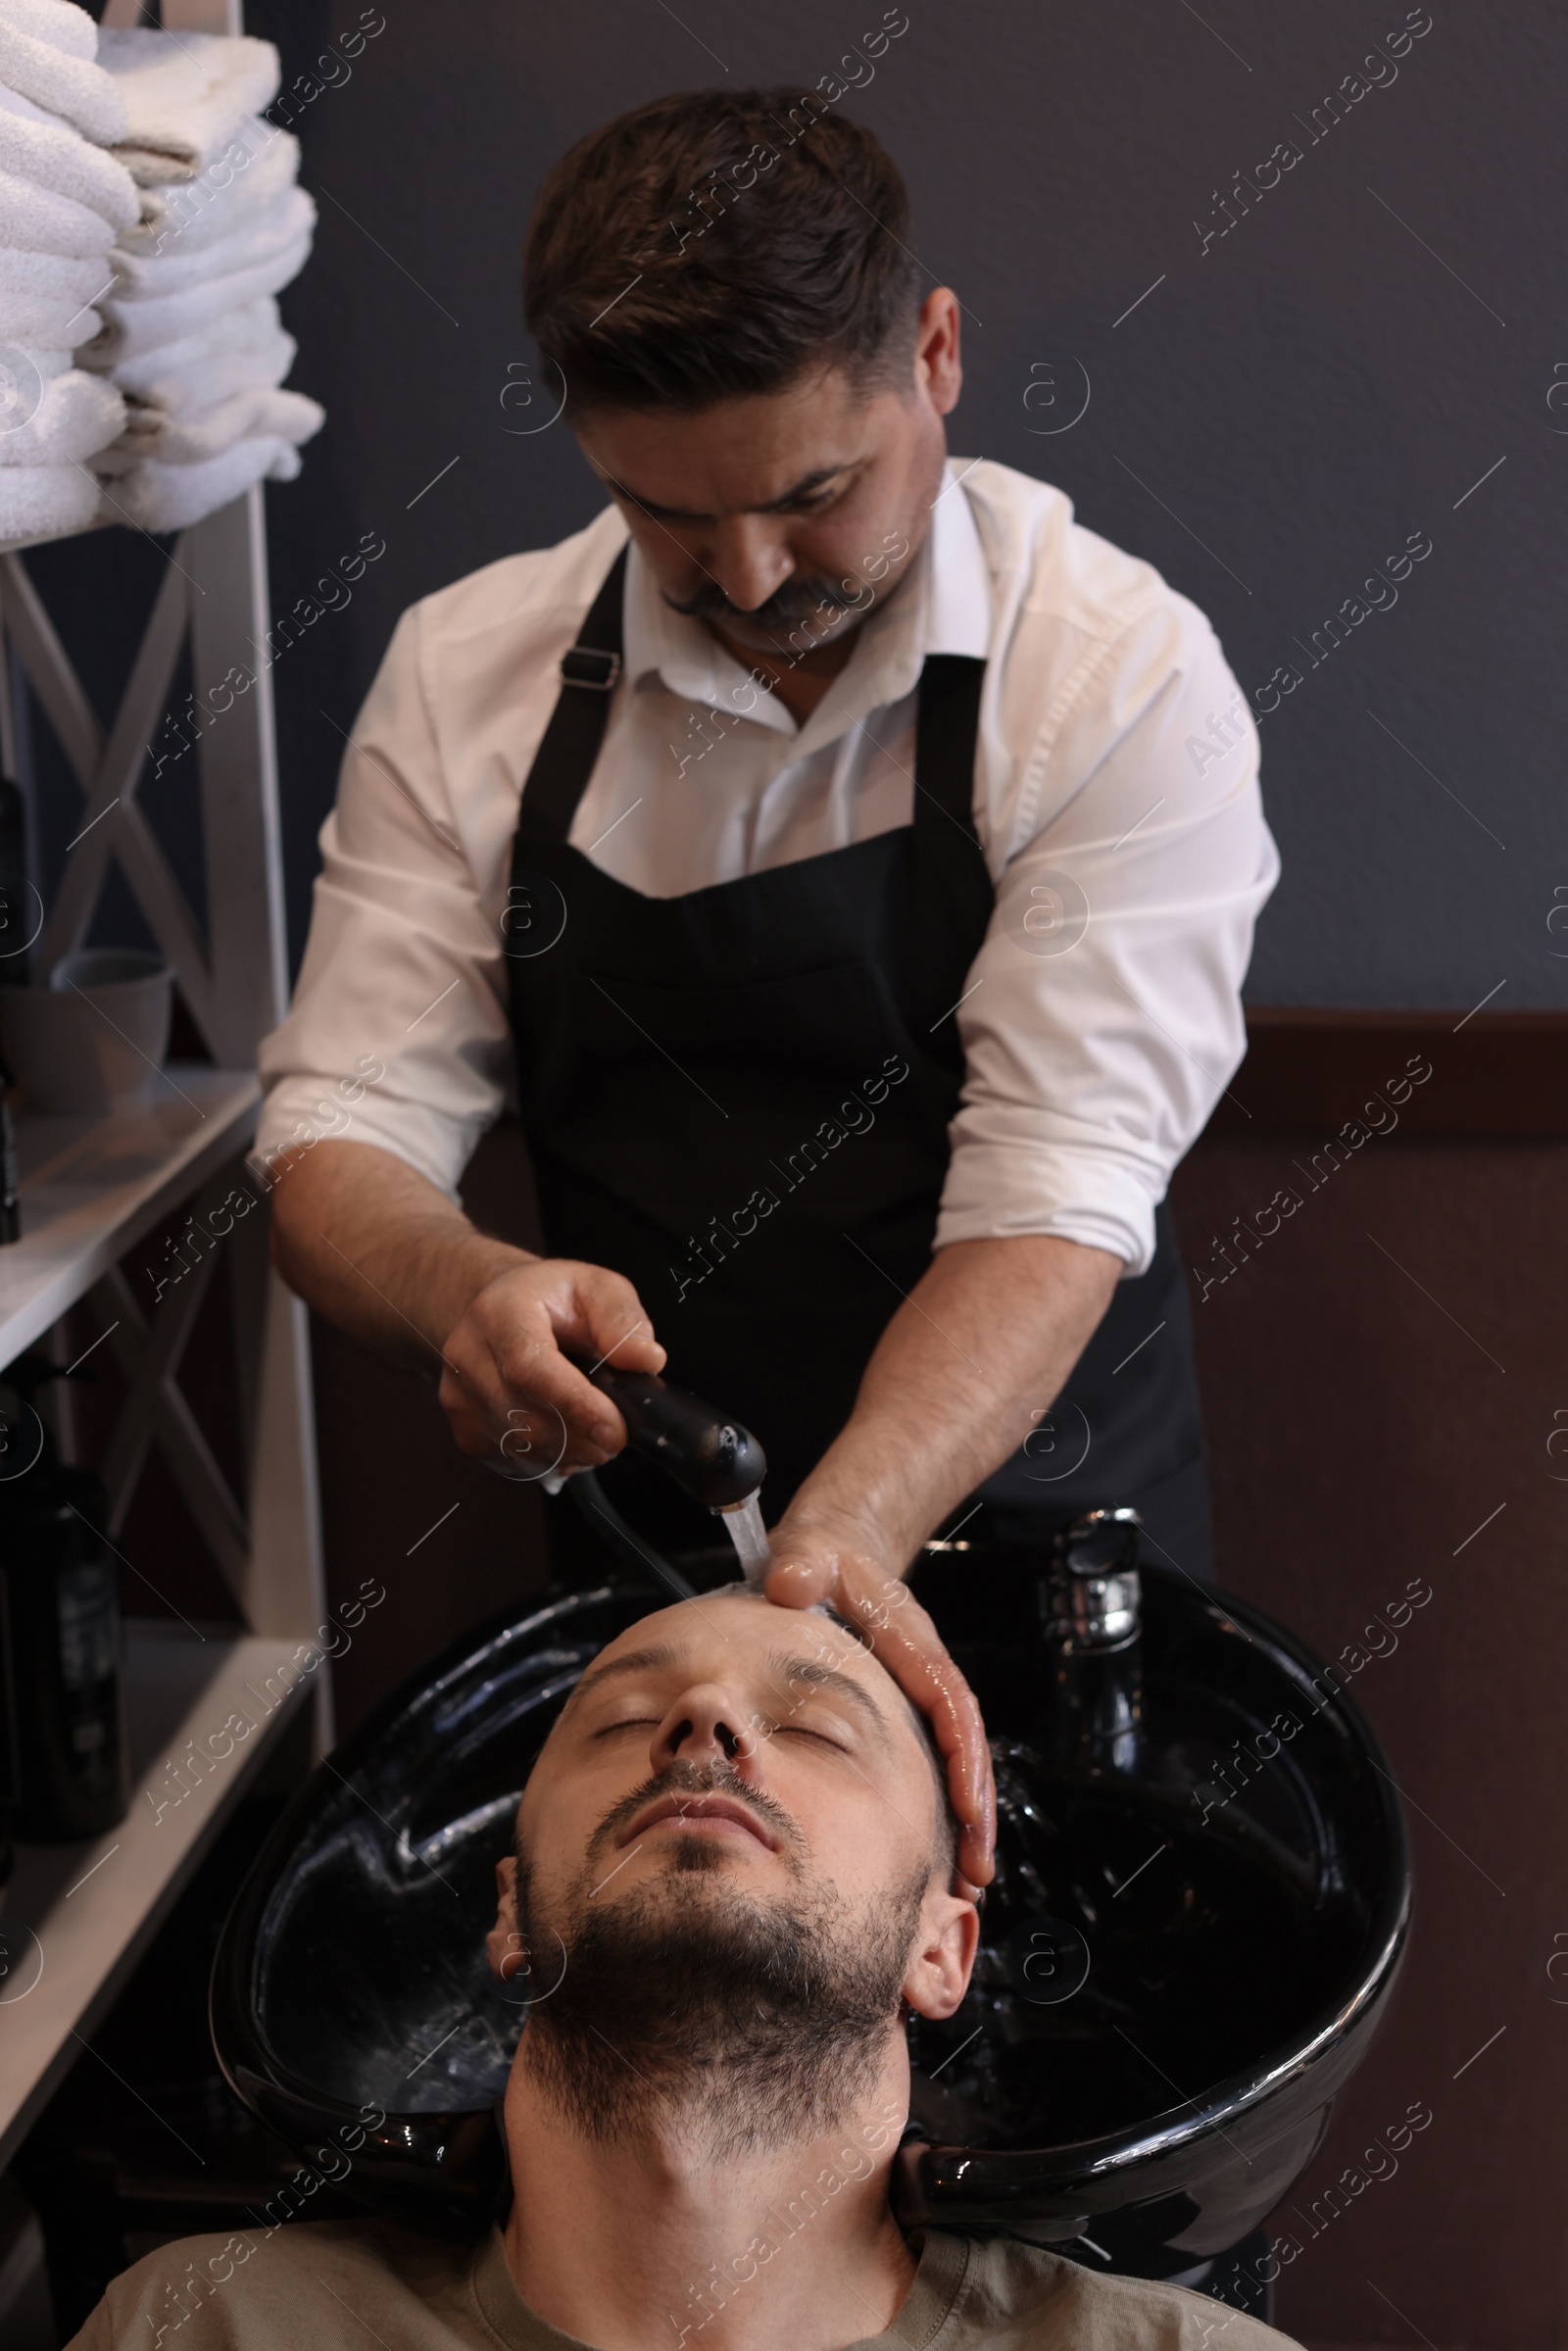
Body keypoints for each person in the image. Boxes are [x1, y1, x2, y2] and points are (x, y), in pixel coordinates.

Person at [254, 87, 1279, 1892]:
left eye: (814, 496)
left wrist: (825, 1565)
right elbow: (337, 1133)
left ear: (936, 355)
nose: (746, 578)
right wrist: (466, 1285)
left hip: (1040, 1561)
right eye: (665, 513)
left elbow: (1048, 1201)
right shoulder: (467, 675)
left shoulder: (1111, 675)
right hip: (641, 1572)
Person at [70, 1589, 1300, 2349]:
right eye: (615, 1720)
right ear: (510, 1912)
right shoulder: (205, 2327)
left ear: (943, 1947)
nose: (703, 1720)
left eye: (813, 1724)